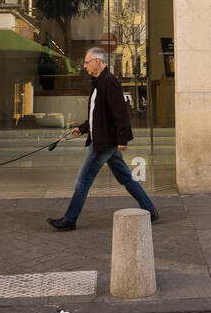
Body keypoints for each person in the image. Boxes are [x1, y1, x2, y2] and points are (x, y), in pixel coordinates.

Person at [47, 47, 156, 231]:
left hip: (104, 143)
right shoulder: (98, 82)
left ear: (97, 62)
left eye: (87, 62)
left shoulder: (108, 82)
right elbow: (97, 115)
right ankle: (150, 209)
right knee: (126, 179)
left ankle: (70, 219)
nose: (84, 66)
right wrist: (82, 128)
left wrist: (123, 139)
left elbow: (120, 113)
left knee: (83, 180)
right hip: (106, 141)